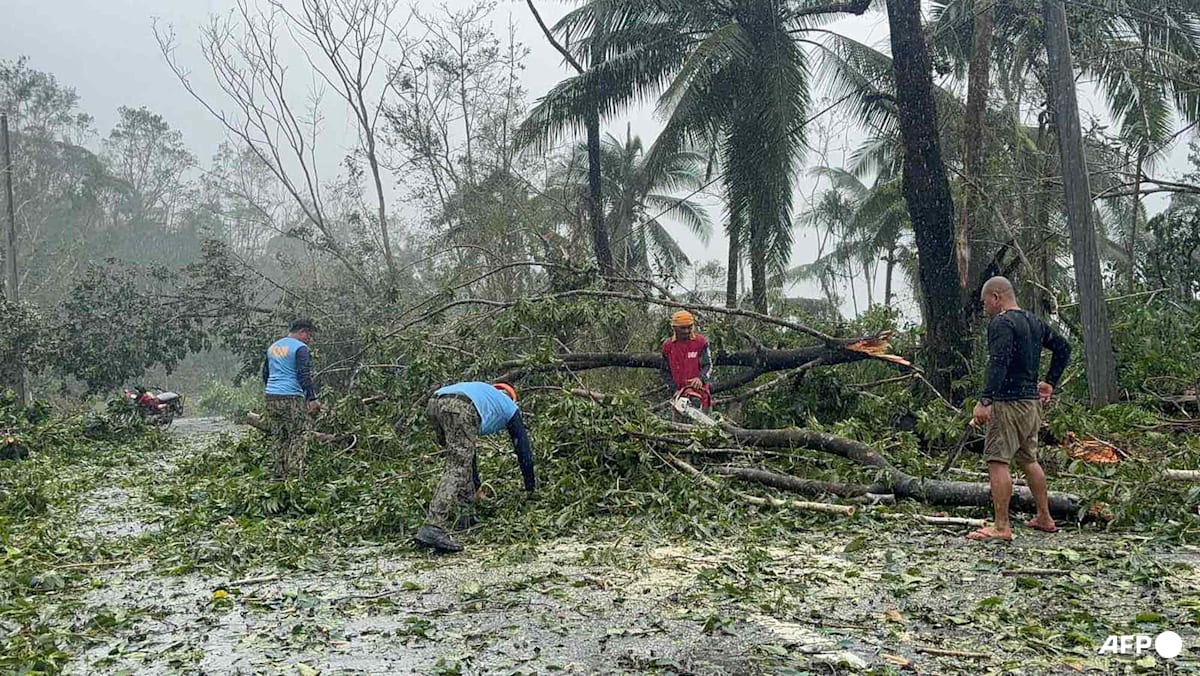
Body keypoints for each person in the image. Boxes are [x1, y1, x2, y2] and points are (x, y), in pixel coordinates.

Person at [968, 277, 1071, 543]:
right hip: (1031, 404)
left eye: (985, 302)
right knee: (1028, 460)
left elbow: (998, 362)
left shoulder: (1002, 323)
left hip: (1008, 403)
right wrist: (1050, 382)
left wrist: (985, 400)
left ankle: (1002, 526)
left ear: (996, 297)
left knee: (997, 460)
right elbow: (1063, 348)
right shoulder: (1033, 322)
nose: (985, 308)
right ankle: (1045, 517)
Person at [415, 381, 536, 552]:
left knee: (460, 458)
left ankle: (466, 514)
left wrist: (477, 487)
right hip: (460, 406)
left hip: (435, 402)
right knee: (457, 466)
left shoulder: (484, 394)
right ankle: (433, 526)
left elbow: (468, 453)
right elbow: (523, 450)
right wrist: (530, 487)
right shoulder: (510, 407)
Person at [261, 318, 320, 481]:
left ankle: (278, 475)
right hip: (291, 397)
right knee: (299, 433)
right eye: (309, 335)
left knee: (280, 435)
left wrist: (272, 391)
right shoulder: (300, 348)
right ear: (302, 332)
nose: (310, 339)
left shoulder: (273, 347)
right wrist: (311, 398)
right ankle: (294, 476)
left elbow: (265, 373)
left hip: (271, 397)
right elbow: (303, 374)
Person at [660, 310, 713, 412]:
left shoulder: (700, 342)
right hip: (680, 395)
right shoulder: (668, 346)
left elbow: (708, 365)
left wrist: (700, 379)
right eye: (683, 328)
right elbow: (665, 371)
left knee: (703, 420)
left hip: (701, 395)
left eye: (689, 327)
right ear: (674, 328)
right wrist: (674, 390)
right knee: (678, 420)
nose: (686, 331)